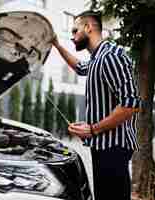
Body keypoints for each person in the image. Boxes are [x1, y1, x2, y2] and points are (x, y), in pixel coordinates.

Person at [51, 10, 141, 200]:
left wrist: (92, 129)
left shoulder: (111, 56)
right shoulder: (96, 60)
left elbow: (131, 104)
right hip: (102, 145)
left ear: (88, 27)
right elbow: (79, 67)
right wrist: (57, 45)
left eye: (75, 31)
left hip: (114, 148)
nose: (73, 36)